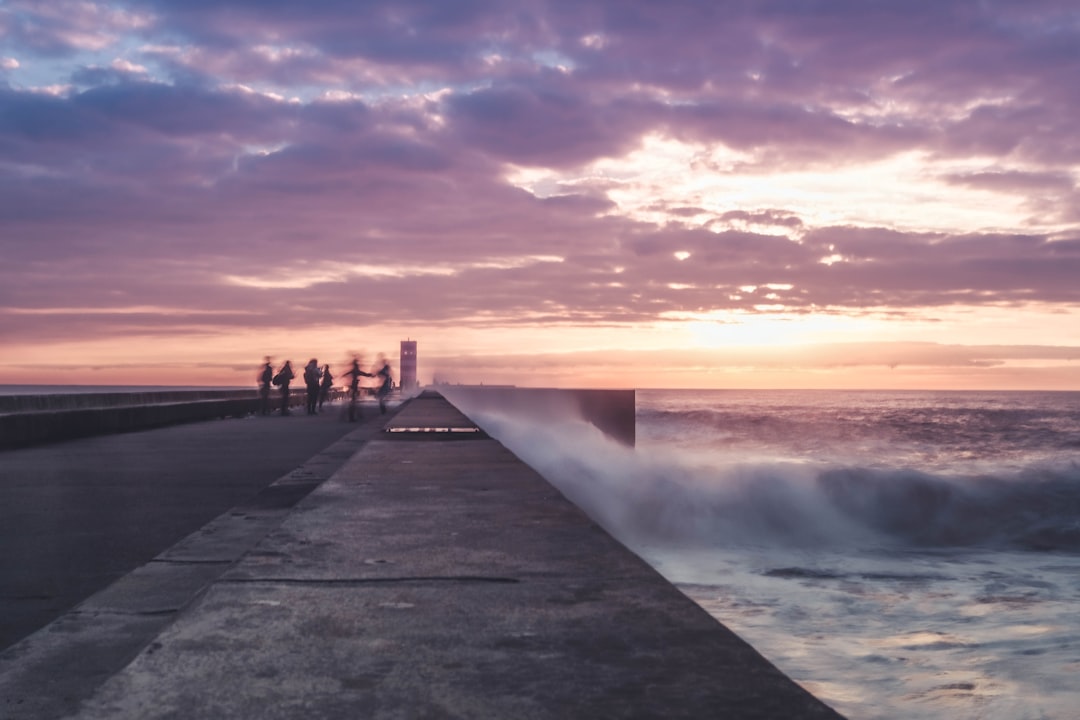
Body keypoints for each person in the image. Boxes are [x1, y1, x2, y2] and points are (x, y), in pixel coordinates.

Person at [343, 356, 373, 422]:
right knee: (354, 402)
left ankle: (353, 416)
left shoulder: (354, 370)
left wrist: (343, 375)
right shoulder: (356, 371)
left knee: (354, 402)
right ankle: (352, 417)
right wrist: (370, 375)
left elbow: (347, 373)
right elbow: (364, 374)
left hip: (353, 387)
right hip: (354, 387)